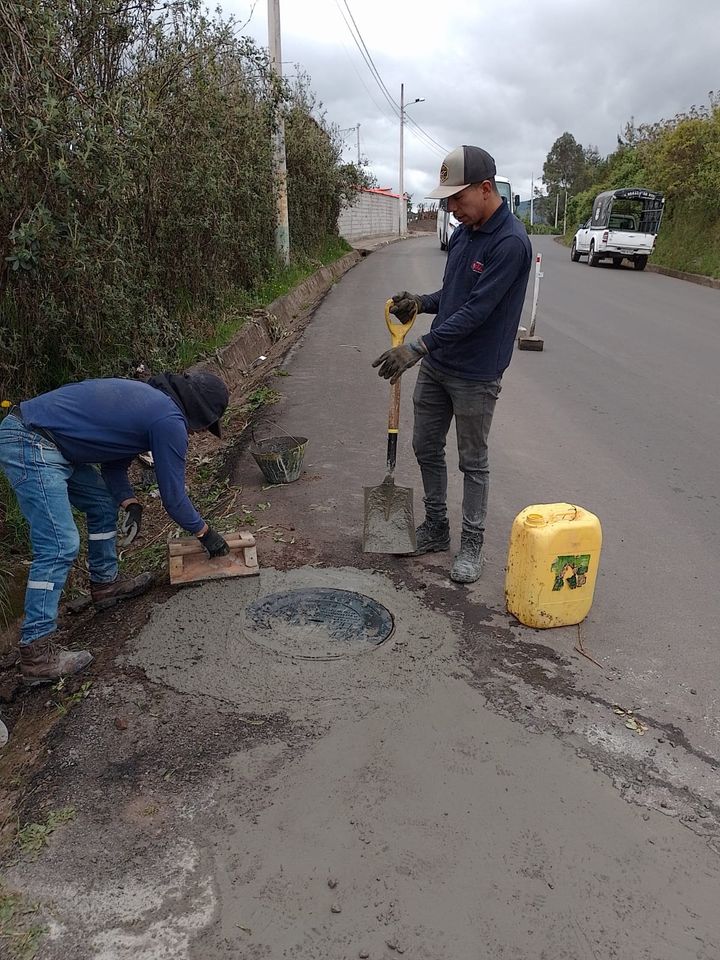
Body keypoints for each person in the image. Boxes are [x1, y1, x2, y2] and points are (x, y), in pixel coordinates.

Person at [0, 370, 231, 683]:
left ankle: (105, 584)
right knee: (59, 544)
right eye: (205, 425)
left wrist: (130, 502)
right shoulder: (168, 419)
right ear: (199, 411)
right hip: (32, 441)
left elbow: (113, 463)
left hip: (47, 438)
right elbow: (174, 499)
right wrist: (206, 534)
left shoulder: (151, 402)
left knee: (101, 503)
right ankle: (37, 653)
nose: (200, 433)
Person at [373, 145, 532, 583]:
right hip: (439, 363)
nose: (450, 209)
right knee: (425, 446)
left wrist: (417, 347)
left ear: (485, 189)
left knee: (472, 462)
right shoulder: (463, 234)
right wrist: (421, 302)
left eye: (457, 198)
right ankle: (437, 527)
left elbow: (477, 311)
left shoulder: (511, 243)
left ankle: (472, 543)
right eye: (447, 200)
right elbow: (454, 295)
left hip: (476, 373)